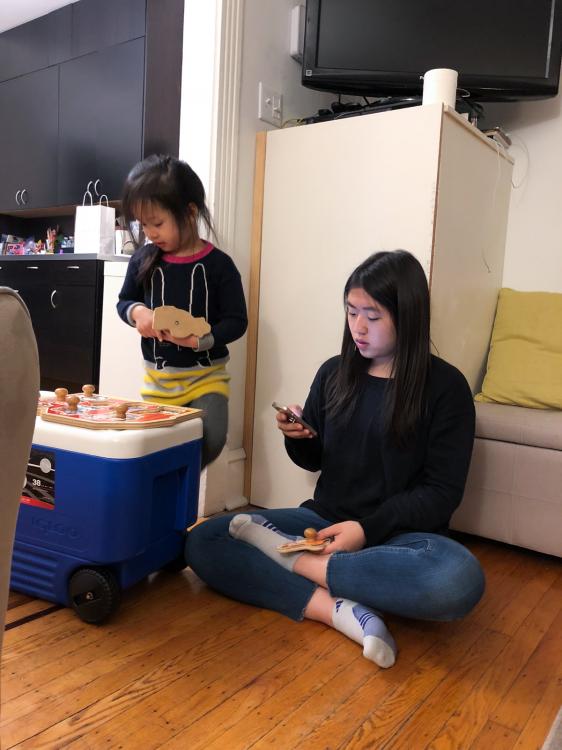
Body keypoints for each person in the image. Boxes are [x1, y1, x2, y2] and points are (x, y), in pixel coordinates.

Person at [186, 250, 485, 667]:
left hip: (399, 538)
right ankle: (339, 611)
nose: (358, 327)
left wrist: (366, 530)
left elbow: (441, 492)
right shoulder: (334, 373)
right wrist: (298, 437)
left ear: (409, 316)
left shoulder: (446, 388)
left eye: (373, 316)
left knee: (457, 580)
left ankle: (304, 567)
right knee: (205, 540)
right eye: (351, 312)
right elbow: (314, 461)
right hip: (323, 524)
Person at [116, 155, 247, 468]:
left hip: (207, 378)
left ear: (189, 212)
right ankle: (170, 490)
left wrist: (201, 340)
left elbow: (237, 321)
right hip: (158, 382)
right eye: (143, 225)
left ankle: (179, 484)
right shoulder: (143, 259)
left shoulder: (219, 265)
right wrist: (138, 313)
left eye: (157, 223)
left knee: (212, 439)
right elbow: (124, 301)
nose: (150, 233)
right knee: (155, 451)